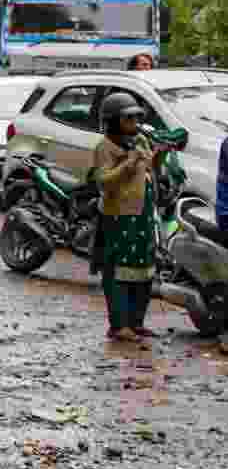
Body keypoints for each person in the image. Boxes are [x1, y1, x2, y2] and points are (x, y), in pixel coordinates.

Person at [90, 92, 168, 342]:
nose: (134, 124)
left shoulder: (141, 140)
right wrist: (128, 163)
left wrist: (159, 156)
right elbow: (103, 181)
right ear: (113, 121)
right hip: (119, 217)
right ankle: (118, 325)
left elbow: (150, 170)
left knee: (144, 271)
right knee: (118, 272)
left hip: (143, 215)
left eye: (136, 118)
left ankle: (136, 323)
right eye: (128, 119)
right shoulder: (105, 147)